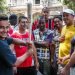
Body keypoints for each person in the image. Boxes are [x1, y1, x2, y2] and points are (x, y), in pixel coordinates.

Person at [58, 8, 75, 74]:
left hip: (70, 64)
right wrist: (59, 39)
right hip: (61, 61)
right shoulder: (64, 27)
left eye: (67, 15)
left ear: (73, 16)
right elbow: (64, 41)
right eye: (63, 16)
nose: (64, 17)